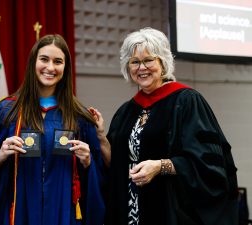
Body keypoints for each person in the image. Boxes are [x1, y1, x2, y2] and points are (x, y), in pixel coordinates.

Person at [90, 27, 238, 225]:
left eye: (148, 60)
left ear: (162, 62)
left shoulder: (187, 101)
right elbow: (116, 165)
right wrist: (100, 136)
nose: (141, 67)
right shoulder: (127, 111)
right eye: (134, 62)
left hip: (170, 213)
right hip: (130, 213)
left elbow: (207, 164)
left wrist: (160, 166)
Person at [0, 34, 106, 225]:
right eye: (44, 59)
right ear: (33, 62)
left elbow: (102, 177)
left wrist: (88, 162)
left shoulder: (79, 117)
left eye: (58, 61)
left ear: (65, 68)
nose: (50, 67)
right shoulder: (6, 112)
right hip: (18, 214)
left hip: (63, 214)